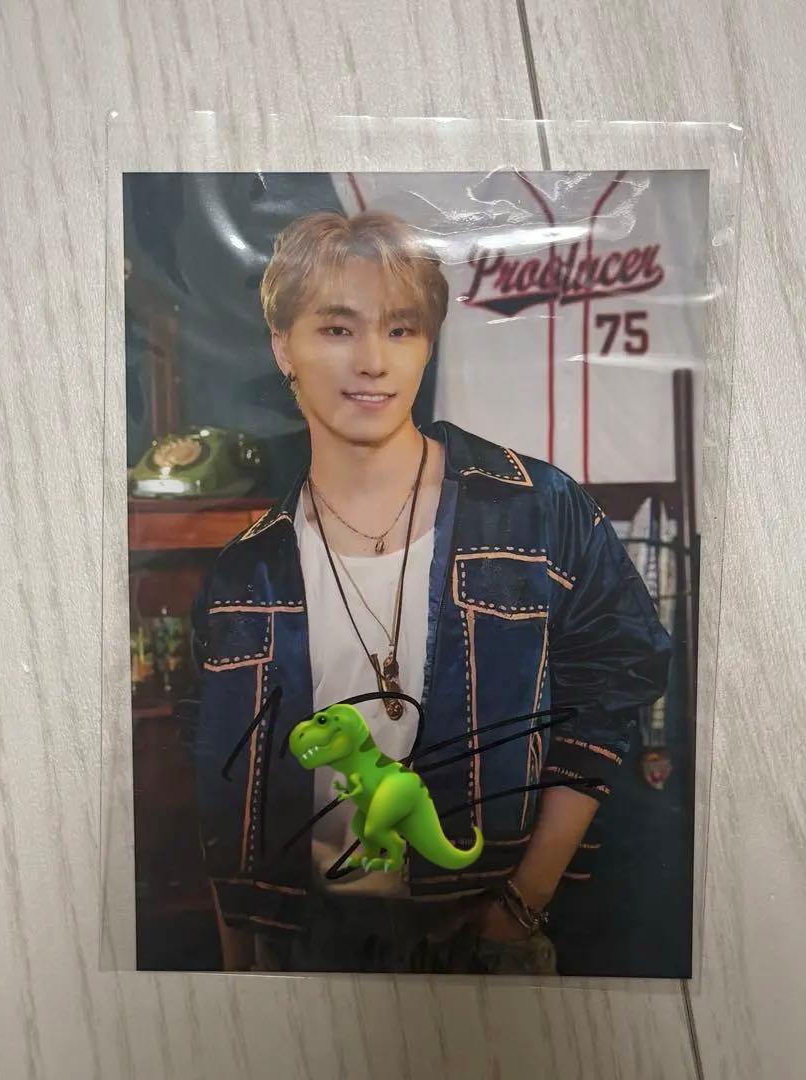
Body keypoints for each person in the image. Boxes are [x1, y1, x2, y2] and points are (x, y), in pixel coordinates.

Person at [187, 209, 672, 974]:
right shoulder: (242, 575)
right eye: (337, 329)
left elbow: (611, 692)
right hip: (301, 945)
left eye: (401, 329)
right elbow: (220, 791)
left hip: (483, 936)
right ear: (283, 347)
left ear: (427, 344)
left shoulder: (538, 511)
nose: (373, 361)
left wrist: (521, 904)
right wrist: (236, 974)